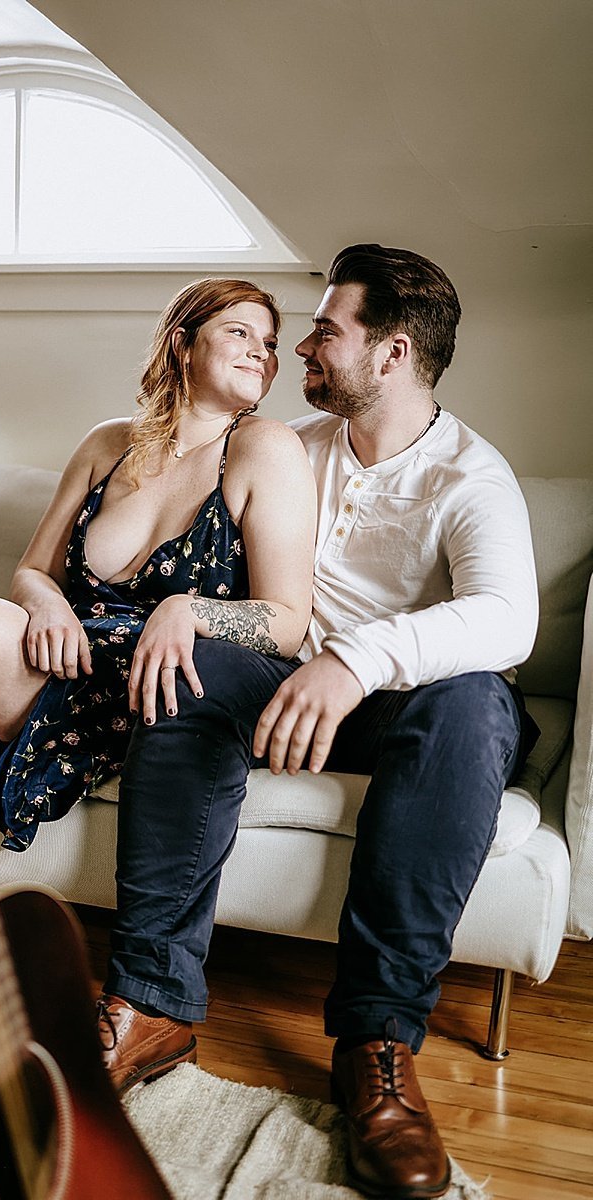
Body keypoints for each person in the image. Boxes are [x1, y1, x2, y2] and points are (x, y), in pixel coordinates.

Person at [98, 246, 537, 1200]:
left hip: (411, 712)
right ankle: (152, 1004)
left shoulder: (472, 477)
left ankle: (377, 1047)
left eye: (327, 331)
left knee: (472, 701)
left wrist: (356, 662)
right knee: (190, 670)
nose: (304, 345)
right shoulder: (290, 448)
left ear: (392, 354)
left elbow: (510, 620)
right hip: (283, 689)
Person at [0, 278, 316, 859]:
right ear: (182, 344)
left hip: (139, 687)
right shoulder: (107, 444)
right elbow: (34, 570)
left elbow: (288, 623)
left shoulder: (265, 447)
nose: (260, 353)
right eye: (238, 332)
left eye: (269, 344)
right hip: (58, 656)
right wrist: (48, 605)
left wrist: (184, 609)